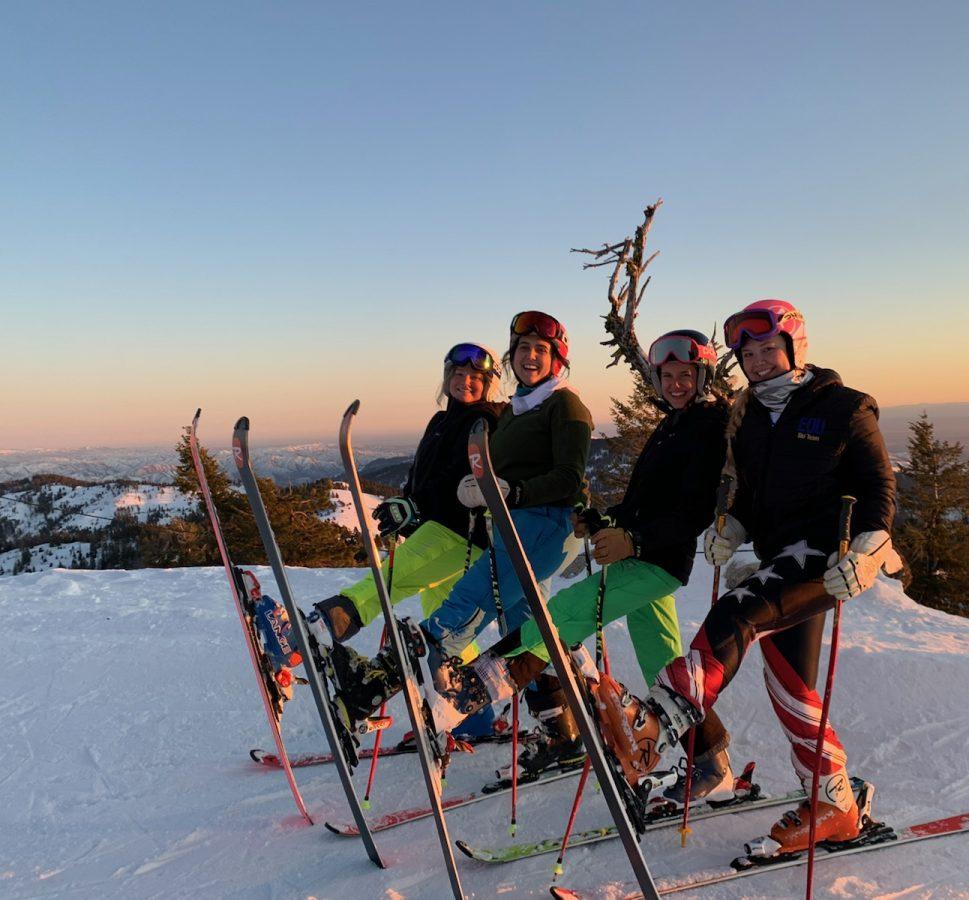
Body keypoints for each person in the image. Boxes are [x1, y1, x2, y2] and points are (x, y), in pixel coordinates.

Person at [592, 299, 903, 854]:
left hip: (826, 561)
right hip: (778, 555)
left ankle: (659, 716)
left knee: (737, 611)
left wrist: (870, 547)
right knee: (791, 687)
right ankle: (835, 801)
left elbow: (878, 485)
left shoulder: (844, 407)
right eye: (748, 354)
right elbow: (755, 496)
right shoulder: (751, 416)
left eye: (767, 350)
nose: (757, 362)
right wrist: (734, 526)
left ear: (794, 348)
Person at [425, 330, 736, 803]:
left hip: (656, 560)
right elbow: (648, 501)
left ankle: (474, 689)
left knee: (563, 615)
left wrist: (634, 538)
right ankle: (713, 762)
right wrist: (606, 519)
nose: (674, 383)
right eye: (667, 375)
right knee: (663, 663)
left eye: (684, 374)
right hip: (643, 551)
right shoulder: (677, 421)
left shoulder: (706, 426)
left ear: (702, 375)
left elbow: (691, 512)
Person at [334, 311, 593, 773]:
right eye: (523, 348)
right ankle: (565, 729)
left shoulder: (563, 406)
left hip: (540, 526)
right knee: (527, 631)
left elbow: (569, 477)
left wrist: (509, 492)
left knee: (457, 616)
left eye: (541, 349)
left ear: (558, 359)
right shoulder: (516, 410)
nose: (530, 357)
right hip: (512, 526)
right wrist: (487, 488)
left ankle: (374, 686)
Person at [306, 342, 506, 739]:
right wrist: (404, 503)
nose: (466, 382)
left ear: (487, 386)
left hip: (460, 532)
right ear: (447, 377)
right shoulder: (440, 421)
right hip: (434, 529)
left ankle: (333, 619)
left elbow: (456, 479)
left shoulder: (486, 422)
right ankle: (471, 714)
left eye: (475, 378)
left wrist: (416, 506)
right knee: (444, 629)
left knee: (391, 578)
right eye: (459, 375)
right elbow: (422, 474)